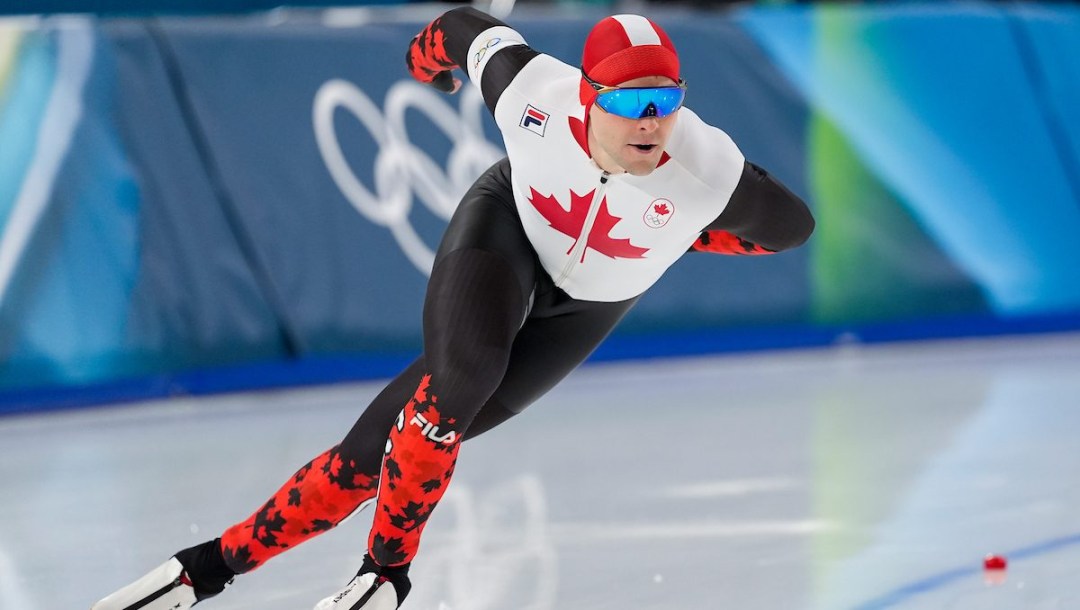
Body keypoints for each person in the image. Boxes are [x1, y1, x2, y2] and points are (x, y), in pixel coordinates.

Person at [92, 7, 814, 610]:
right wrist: (424, 66)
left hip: (591, 302)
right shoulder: (533, 90)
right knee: (456, 385)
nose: (650, 120)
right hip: (508, 230)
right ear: (589, 96)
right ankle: (386, 573)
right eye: (628, 102)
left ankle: (202, 569)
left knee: (364, 460)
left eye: (665, 99)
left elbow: (792, 231)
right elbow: (465, 29)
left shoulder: (711, 171)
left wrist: (681, 236)